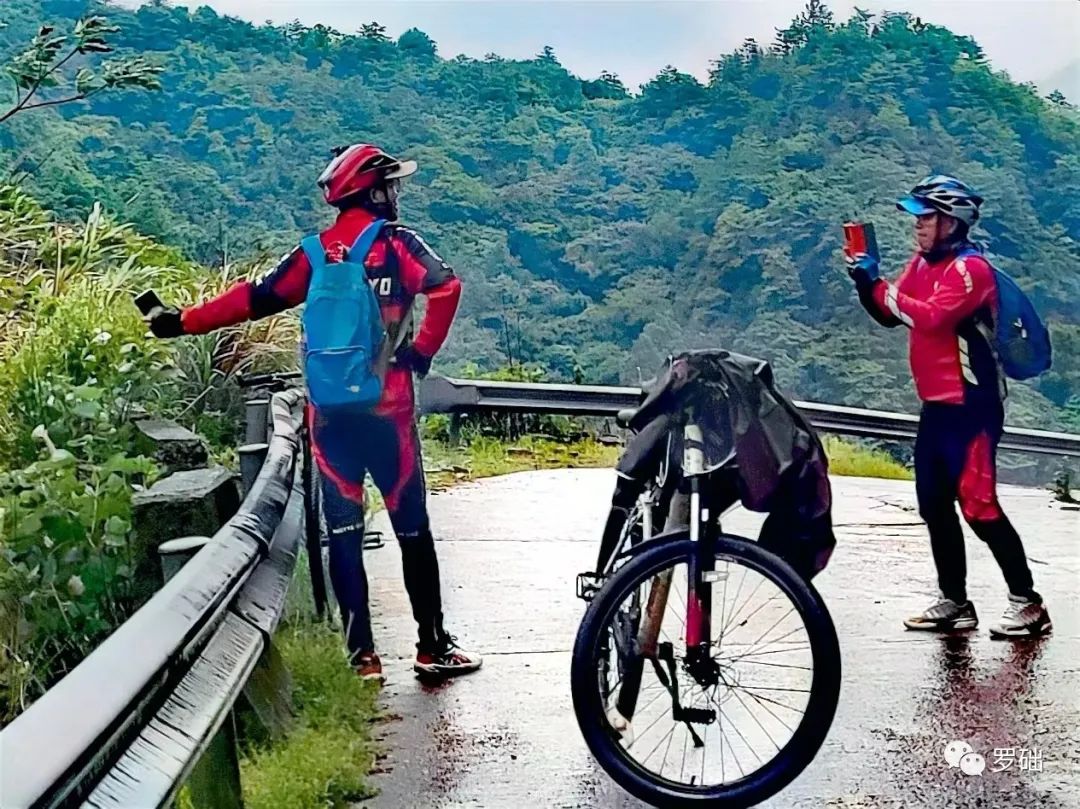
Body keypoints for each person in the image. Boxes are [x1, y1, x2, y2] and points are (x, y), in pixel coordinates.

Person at [146, 143, 483, 679]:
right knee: (412, 529)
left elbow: (254, 299)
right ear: (374, 191)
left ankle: (362, 659)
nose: (396, 193)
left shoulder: (315, 253)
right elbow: (447, 286)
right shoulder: (397, 245)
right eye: (391, 185)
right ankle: (431, 646)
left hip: (329, 418)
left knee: (344, 534)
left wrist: (182, 320)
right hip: (388, 412)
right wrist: (419, 354)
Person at [845, 174, 1052, 639]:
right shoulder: (921, 263)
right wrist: (865, 284)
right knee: (934, 505)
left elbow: (930, 317)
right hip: (936, 405)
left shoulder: (969, 270)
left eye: (926, 217)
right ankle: (955, 602)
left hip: (972, 406)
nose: (917, 225)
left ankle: (1029, 603)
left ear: (952, 222)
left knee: (978, 506)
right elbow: (889, 314)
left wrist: (878, 284)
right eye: (917, 217)